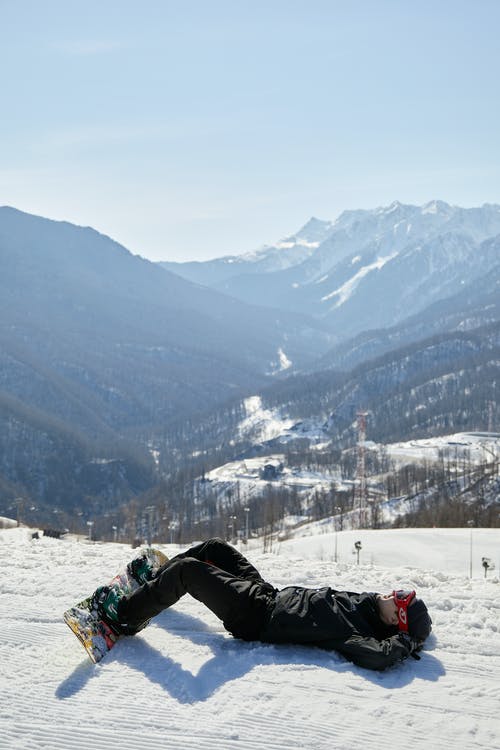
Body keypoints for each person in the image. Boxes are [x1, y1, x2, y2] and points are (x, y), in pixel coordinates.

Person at [95, 538, 432, 671]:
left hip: (257, 617)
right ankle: (157, 579)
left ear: (395, 622)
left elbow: (377, 656)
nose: (392, 594)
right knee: (216, 549)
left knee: (190, 572)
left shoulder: (358, 633)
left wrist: (407, 642)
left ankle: (123, 616)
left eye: (398, 602)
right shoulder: (369, 607)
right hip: (268, 594)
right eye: (400, 592)